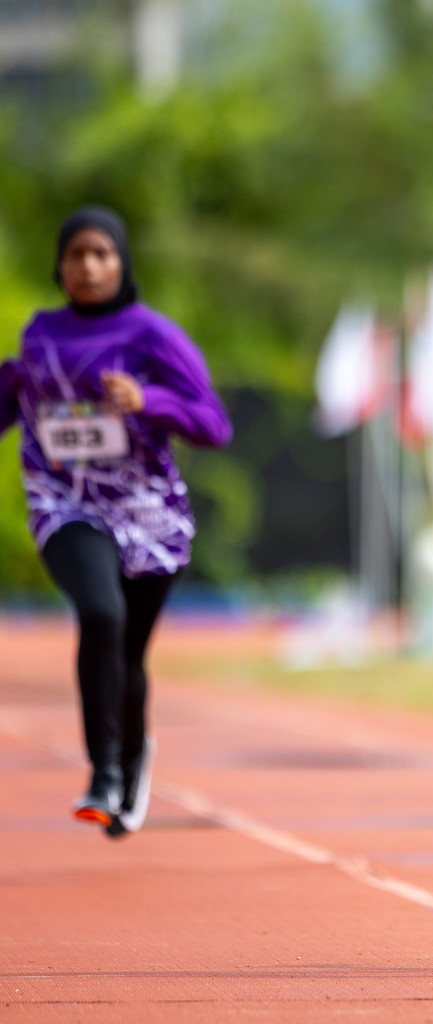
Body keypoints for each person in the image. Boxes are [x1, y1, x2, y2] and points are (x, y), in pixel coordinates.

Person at [0, 206, 231, 837]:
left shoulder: (154, 335)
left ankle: (132, 757)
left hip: (147, 514)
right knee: (101, 613)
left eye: (101, 253)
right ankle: (102, 772)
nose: (88, 265)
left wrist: (148, 400)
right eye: (76, 254)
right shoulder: (39, 335)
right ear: (60, 265)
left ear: (122, 261)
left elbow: (214, 425)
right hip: (64, 502)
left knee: (126, 654)